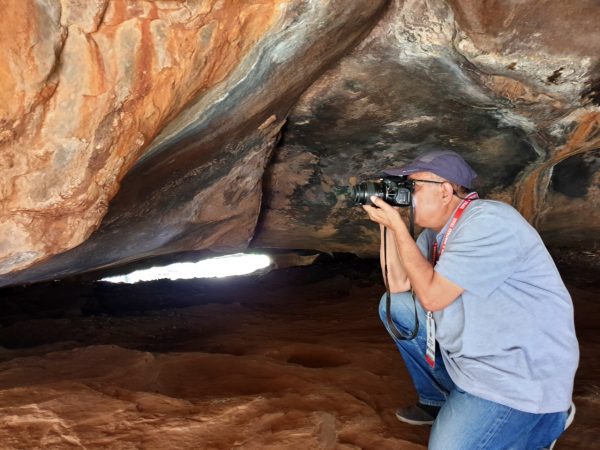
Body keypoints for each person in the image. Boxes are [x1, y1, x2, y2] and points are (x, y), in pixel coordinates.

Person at [362, 149, 579, 449]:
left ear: (446, 191)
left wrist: (400, 228)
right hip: (472, 360)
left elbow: (433, 297)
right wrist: (389, 226)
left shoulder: (489, 221)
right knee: (397, 307)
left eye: (413, 186)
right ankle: (439, 399)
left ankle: (545, 421)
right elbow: (398, 285)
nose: (406, 194)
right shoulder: (434, 235)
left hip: (518, 373)